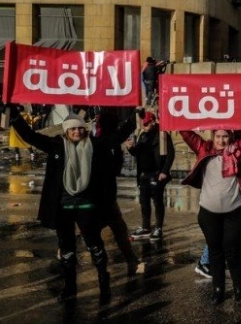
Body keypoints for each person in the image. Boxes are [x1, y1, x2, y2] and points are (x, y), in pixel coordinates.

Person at [9, 109, 114, 303]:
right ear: (66, 131)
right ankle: (70, 286)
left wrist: (135, 117)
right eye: (73, 129)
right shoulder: (56, 146)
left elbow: (116, 138)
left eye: (81, 129)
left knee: (94, 244)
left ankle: (103, 282)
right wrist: (14, 115)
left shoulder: (94, 145)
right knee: (66, 247)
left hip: (86, 206)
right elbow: (30, 136)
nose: (77, 132)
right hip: (63, 207)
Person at [180, 128, 241, 305]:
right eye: (218, 136)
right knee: (215, 252)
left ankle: (239, 291)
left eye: (225, 136)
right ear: (213, 137)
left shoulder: (239, 150)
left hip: (234, 212)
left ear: (231, 137)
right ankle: (218, 290)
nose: (221, 140)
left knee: (233, 252)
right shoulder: (204, 148)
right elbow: (187, 133)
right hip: (209, 214)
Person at [94, 111, 144, 276]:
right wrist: (134, 118)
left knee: (119, 231)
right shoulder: (102, 142)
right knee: (110, 232)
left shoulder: (108, 143)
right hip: (99, 198)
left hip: (107, 196)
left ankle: (128, 262)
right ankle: (108, 268)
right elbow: (120, 135)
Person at [127, 112, 175, 241]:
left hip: (156, 173)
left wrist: (164, 171)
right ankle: (146, 226)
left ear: (153, 121)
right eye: (144, 124)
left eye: (147, 124)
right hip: (144, 174)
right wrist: (130, 148)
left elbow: (170, 154)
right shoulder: (143, 135)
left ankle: (158, 227)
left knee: (157, 200)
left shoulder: (162, 134)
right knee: (144, 201)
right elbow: (137, 152)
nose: (145, 126)